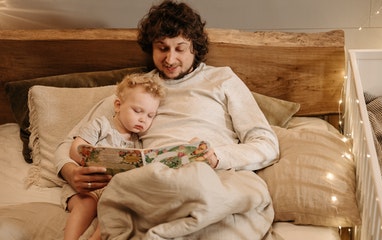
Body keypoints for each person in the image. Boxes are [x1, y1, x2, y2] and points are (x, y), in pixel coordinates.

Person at [54, 0, 279, 237]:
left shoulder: (223, 79)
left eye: (180, 49)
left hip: (215, 174)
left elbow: (266, 143)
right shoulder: (137, 90)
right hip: (155, 181)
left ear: (195, 47)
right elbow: (68, 143)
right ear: (151, 48)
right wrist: (70, 171)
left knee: (225, 207)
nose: (170, 59)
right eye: (162, 48)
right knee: (129, 192)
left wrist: (218, 157)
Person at [61, 73, 166, 240]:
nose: (143, 119)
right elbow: (75, 150)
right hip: (89, 184)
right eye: (138, 111)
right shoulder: (101, 125)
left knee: (118, 210)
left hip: (114, 190)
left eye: (150, 115)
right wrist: (91, 157)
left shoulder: (137, 143)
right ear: (118, 105)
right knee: (86, 204)